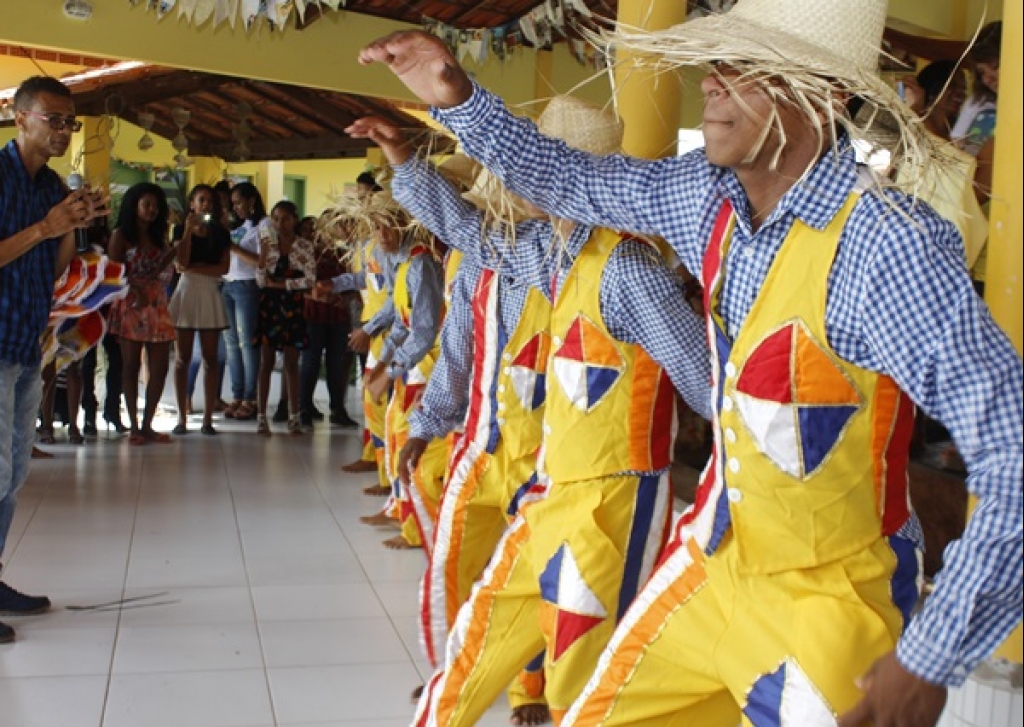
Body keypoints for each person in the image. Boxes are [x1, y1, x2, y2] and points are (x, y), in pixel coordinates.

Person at [358, 3, 1023, 724]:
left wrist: (930, 654)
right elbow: (571, 179)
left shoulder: (887, 246)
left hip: (830, 605)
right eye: (716, 63)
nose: (711, 81)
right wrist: (456, 95)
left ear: (824, 95)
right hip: (711, 566)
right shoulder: (706, 198)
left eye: (744, 69)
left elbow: (1013, 453)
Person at [348, 98, 712, 722]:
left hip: (615, 497)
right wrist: (403, 159)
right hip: (554, 485)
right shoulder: (553, 251)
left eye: (528, 164)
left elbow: (707, 385)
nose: (513, 177)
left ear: (564, 176)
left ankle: (541, 696)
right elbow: (470, 235)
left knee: (580, 665)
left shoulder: (628, 267)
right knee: (483, 632)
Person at [1, 75, 107, 643]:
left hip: (26, 341)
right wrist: (47, 225)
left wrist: (73, 223)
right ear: (20, 118)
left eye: (70, 122)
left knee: (14, 471)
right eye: (54, 120)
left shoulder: (50, 187)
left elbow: (56, 266)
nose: (64, 131)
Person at [107, 182, 178, 445]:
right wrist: (135, 289)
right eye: (146, 204)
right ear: (134, 206)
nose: (152, 210)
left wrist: (176, 248)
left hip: (157, 303)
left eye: (155, 206)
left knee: (159, 368)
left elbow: (162, 267)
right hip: (132, 303)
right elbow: (112, 272)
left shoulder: (159, 236)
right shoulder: (121, 235)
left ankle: (148, 424)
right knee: (130, 366)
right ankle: (135, 426)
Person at [168, 184, 231, 436]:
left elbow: (223, 268)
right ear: (192, 203)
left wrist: (194, 268)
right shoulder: (179, 230)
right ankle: (181, 417)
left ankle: (207, 419)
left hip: (209, 290)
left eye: (210, 201)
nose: (206, 205)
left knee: (210, 358)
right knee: (182, 358)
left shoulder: (221, 232)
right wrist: (187, 230)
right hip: (186, 290)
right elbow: (180, 262)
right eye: (201, 200)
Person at [253, 200, 316, 436]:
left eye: (286, 218)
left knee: (291, 362)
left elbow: (309, 280)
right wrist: (263, 255)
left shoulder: (304, 246)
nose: (281, 224)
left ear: (294, 220)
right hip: (269, 306)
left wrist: (281, 285)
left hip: (293, 306)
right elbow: (261, 280)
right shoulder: (268, 245)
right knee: (266, 362)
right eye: (276, 219)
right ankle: (261, 417)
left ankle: (294, 416)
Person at [221, 181, 265, 421]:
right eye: (233, 204)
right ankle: (237, 395)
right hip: (227, 284)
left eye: (239, 202)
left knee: (248, 343)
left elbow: (263, 260)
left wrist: (234, 248)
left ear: (252, 201)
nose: (236, 208)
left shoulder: (264, 225)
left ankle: (251, 398)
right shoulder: (239, 226)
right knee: (231, 343)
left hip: (247, 286)